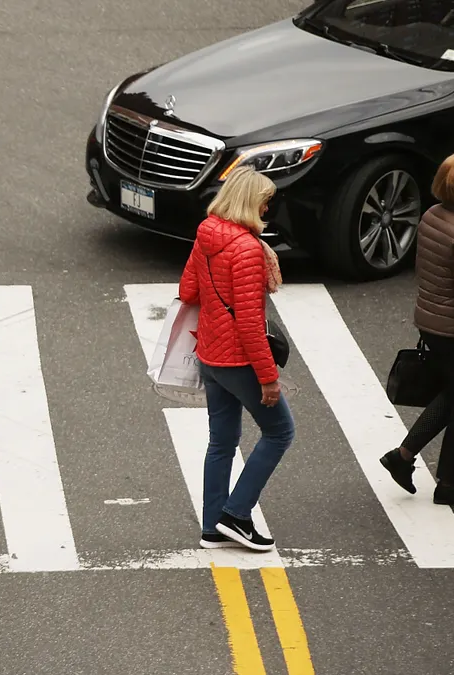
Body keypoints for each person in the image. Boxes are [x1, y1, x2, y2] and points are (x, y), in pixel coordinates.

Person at [178, 166, 294, 552]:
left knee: (222, 442)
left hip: (210, 355)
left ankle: (212, 528)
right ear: (251, 202)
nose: (267, 207)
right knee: (280, 432)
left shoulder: (207, 232)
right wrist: (268, 379)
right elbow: (249, 324)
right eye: (265, 200)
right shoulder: (246, 250)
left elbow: (188, 291)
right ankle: (236, 515)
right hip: (238, 361)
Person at [381, 148, 454, 507]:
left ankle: (402, 457)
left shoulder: (433, 215)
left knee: (452, 396)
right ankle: (448, 484)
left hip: (432, 322)